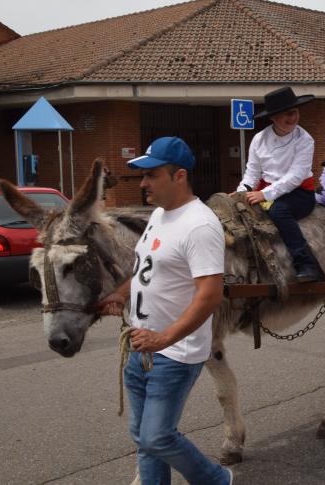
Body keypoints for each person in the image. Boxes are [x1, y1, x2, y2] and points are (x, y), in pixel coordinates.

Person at [98, 137, 232, 485]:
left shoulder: (200, 225)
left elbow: (210, 295)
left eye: (151, 175)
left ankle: (217, 480)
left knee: (156, 437)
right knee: (143, 438)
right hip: (140, 345)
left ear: (179, 176)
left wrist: (164, 338)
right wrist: (120, 294)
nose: (143, 183)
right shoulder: (159, 215)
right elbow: (148, 270)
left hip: (174, 352)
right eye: (143, 175)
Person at [234, 86, 322, 283]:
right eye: (286, 114)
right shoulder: (259, 139)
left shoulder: (305, 139)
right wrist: (241, 193)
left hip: (299, 193)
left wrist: (265, 194)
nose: (292, 118)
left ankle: (306, 264)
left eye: (294, 112)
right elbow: (252, 172)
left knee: (279, 211)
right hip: (265, 191)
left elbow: (295, 176)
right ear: (273, 117)